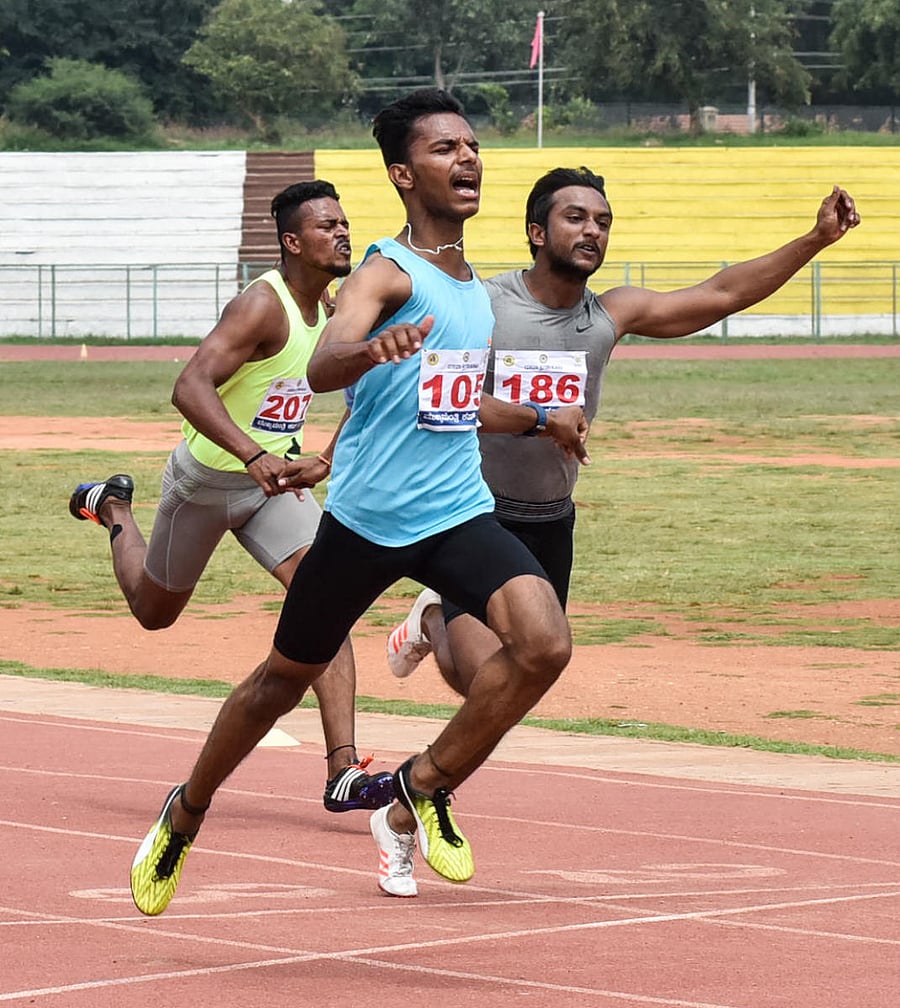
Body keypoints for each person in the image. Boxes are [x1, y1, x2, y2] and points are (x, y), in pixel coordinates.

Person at [128, 88, 590, 916]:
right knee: (281, 678)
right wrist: (368, 348)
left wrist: (538, 418)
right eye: (446, 149)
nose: (468, 158)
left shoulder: (472, 289)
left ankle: (420, 788)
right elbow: (325, 363)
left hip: (454, 511)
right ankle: (186, 809)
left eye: (472, 145)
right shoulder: (384, 268)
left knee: (545, 644)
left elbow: (457, 399)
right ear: (403, 174)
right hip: (369, 522)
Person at [386, 167, 861, 699]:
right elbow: (449, 400)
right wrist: (542, 419)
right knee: (483, 683)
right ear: (537, 233)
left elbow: (723, 293)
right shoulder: (484, 303)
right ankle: (438, 626)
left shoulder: (611, 314)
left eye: (603, 222)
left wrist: (816, 239)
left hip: (550, 517)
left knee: (527, 674)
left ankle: (431, 616)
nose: (592, 230)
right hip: (477, 513)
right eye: (576, 217)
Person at [68, 180, 394, 816]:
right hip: (208, 482)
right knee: (153, 611)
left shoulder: (333, 311)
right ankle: (114, 508)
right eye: (327, 226)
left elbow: (362, 397)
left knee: (324, 602)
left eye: (344, 223)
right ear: (292, 241)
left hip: (276, 488)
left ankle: (342, 771)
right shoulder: (261, 307)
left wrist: (320, 460)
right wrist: (253, 454)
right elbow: (189, 386)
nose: (342, 233)